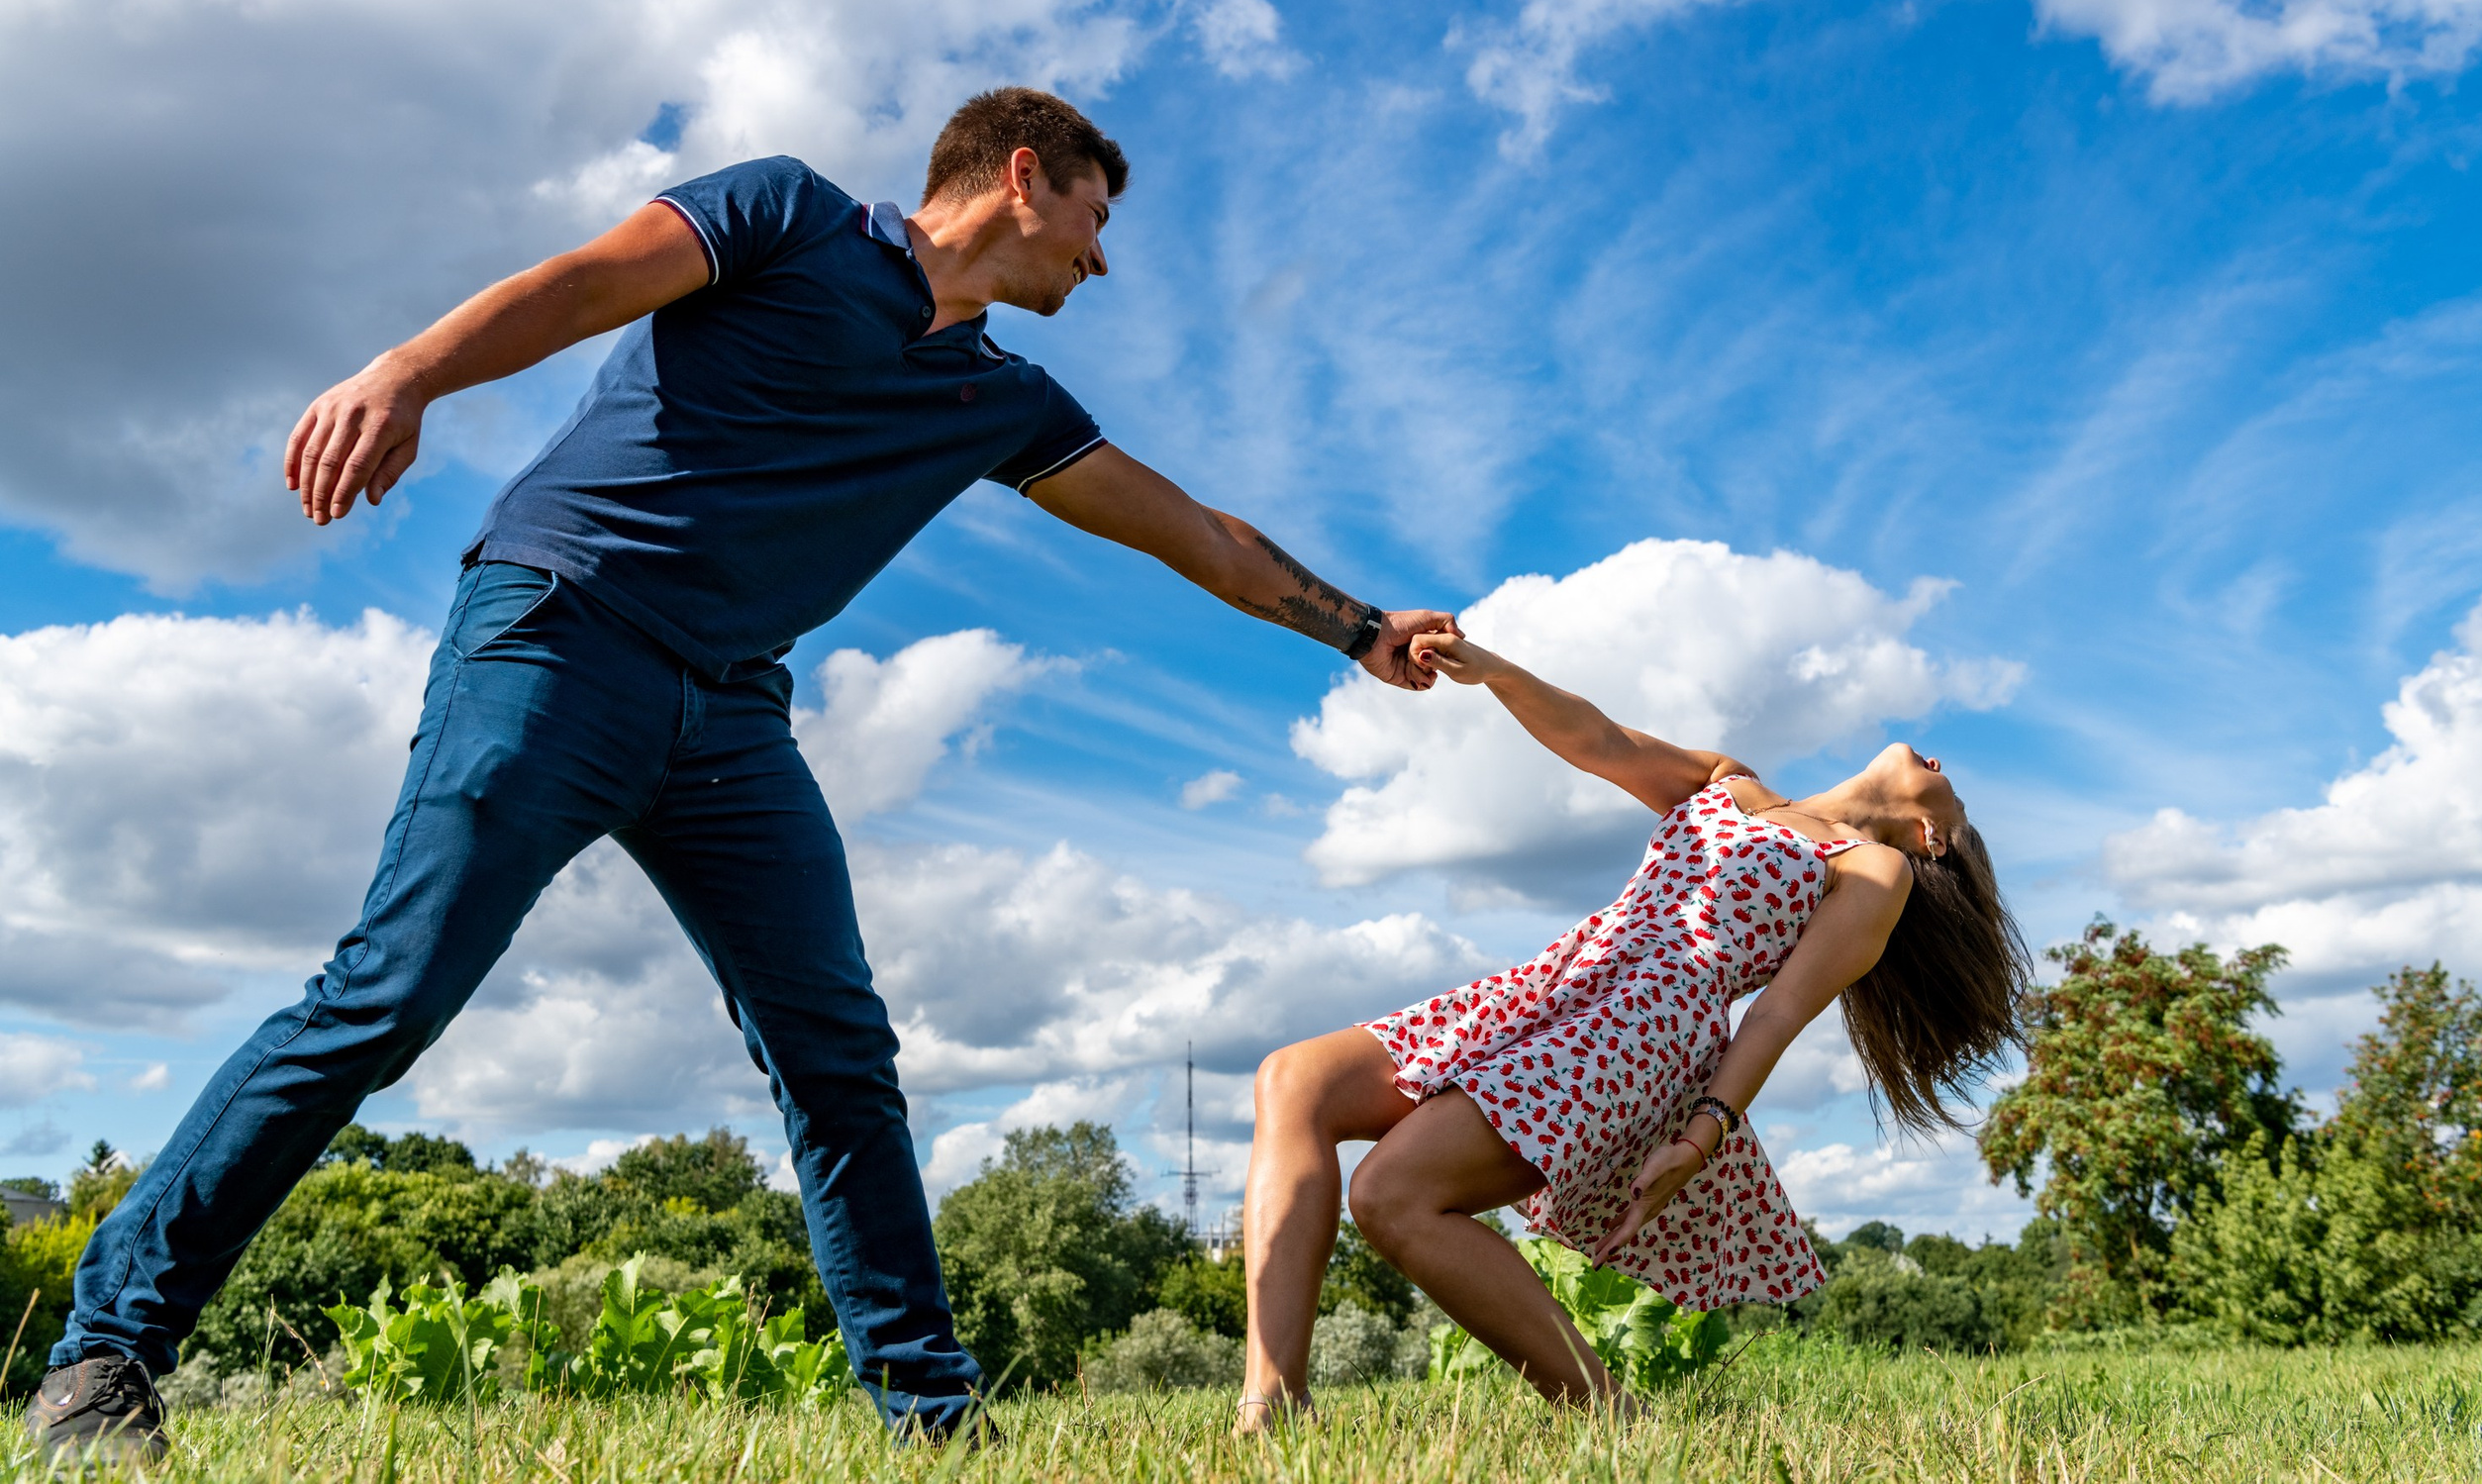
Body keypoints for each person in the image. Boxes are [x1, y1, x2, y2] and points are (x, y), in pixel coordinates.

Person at [28, 88, 1458, 1459]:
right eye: (1094, 215)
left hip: (729, 717)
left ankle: (932, 1413)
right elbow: (585, 282)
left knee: (839, 1054)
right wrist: (408, 371)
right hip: (562, 631)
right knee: (387, 996)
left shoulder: (996, 398)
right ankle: (105, 1355)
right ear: (1023, 173)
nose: (1102, 255)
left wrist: (1359, 628)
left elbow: (1195, 531)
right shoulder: (788, 215)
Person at [1237, 630, 2025, 1426]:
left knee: (1393, 1195)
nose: (1940, 762)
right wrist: (1496, 671)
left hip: (1640, 1030)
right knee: (1295, 1080)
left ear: (1932, 837)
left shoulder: (1871, 868)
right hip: (1565, 980)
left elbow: (1778, 1011)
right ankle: (1272, 1398)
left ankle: (1617, 1421)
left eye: (1954, 793)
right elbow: (1599, 740)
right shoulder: (1729, 780)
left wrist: (1700, 1135)